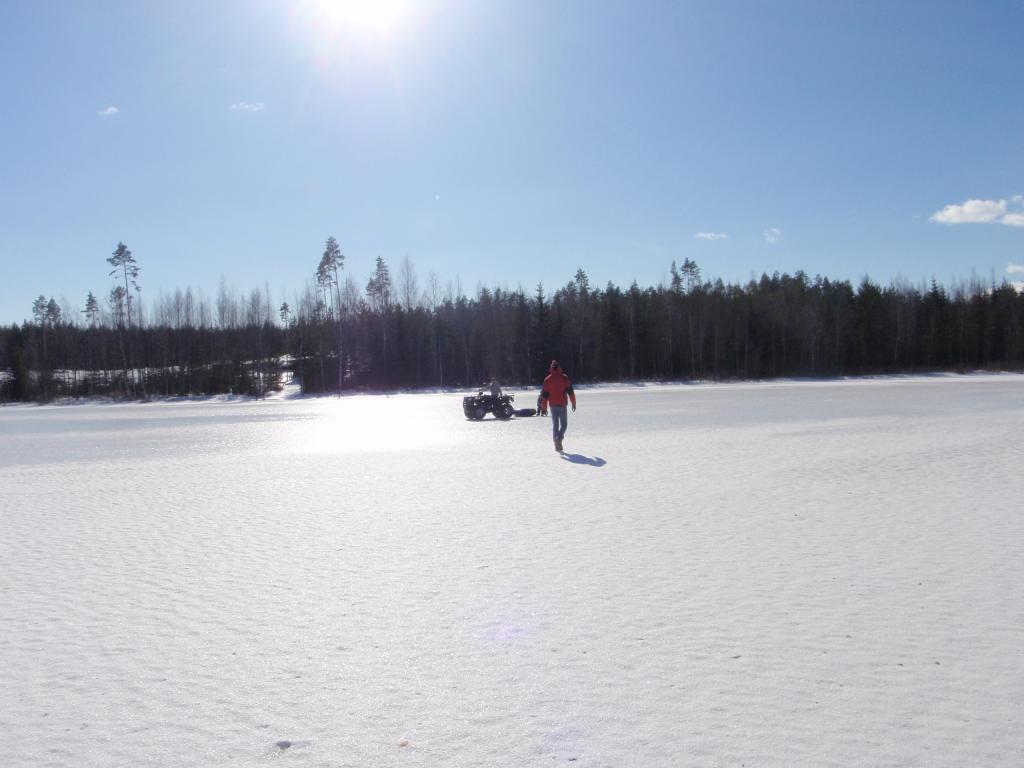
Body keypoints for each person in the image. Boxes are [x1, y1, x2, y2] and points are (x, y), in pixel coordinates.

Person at [538, 359, 576, 452]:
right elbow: (571, 393)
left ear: (551, 368)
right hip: (562, 405)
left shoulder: (547, 379)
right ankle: (559, 438)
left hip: (552, 405)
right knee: (564, 425)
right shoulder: (564, 378)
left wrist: (544, 408)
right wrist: (573, 403)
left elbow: (544, 396)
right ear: (559, 367)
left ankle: (556, 443)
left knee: (555, 425)